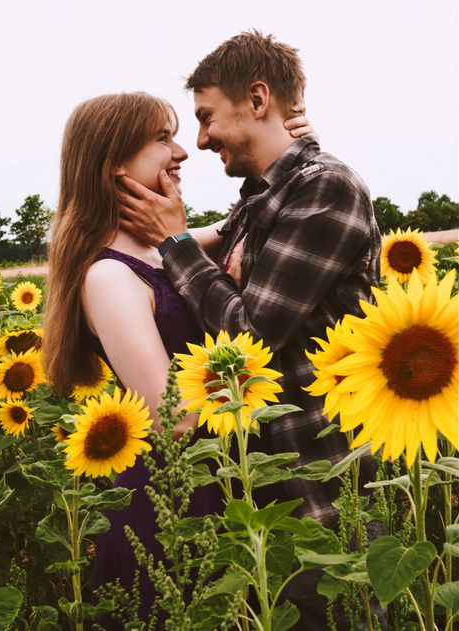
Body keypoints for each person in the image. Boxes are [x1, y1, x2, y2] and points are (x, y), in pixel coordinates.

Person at [117, 31, 383, 629]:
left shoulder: (326, 187)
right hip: (273, 496)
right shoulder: (267, 196)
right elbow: (221, 232)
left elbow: (252, 333)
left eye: (206, 118)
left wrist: (174, 240)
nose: (201, 139)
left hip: (327, 492)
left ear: (258, 98)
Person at [43, 91, 313, 627]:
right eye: (163, 138)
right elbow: (175, 418)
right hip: (172, 508)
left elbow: (249, 219)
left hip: (215, 489)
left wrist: (290, 147)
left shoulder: (157, 249)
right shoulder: (109, 276)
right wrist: (252, 378)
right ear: (115, 164)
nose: (183, 152)